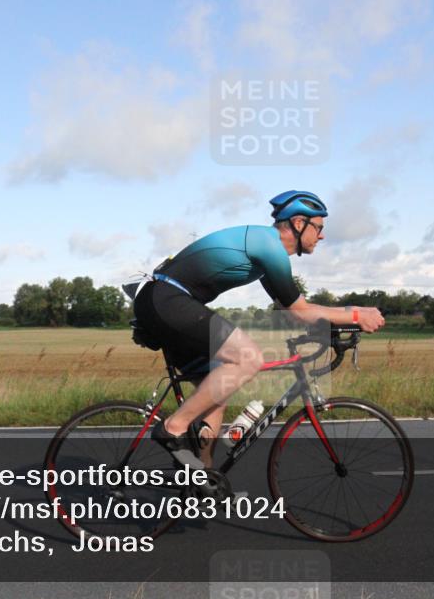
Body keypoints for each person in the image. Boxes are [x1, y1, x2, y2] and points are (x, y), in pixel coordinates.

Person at [132, 190, 385, 469]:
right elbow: (300, 311)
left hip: (163, 301)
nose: (322, 236)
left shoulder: (263, 253)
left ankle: (200, 476)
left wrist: (335, 324)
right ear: (299, 223)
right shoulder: (269, 246)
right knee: (248, 358)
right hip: (167, 300)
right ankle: (173, 428)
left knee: (217, 388)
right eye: (318, 227)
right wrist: (356, 314)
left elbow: (291, 310)